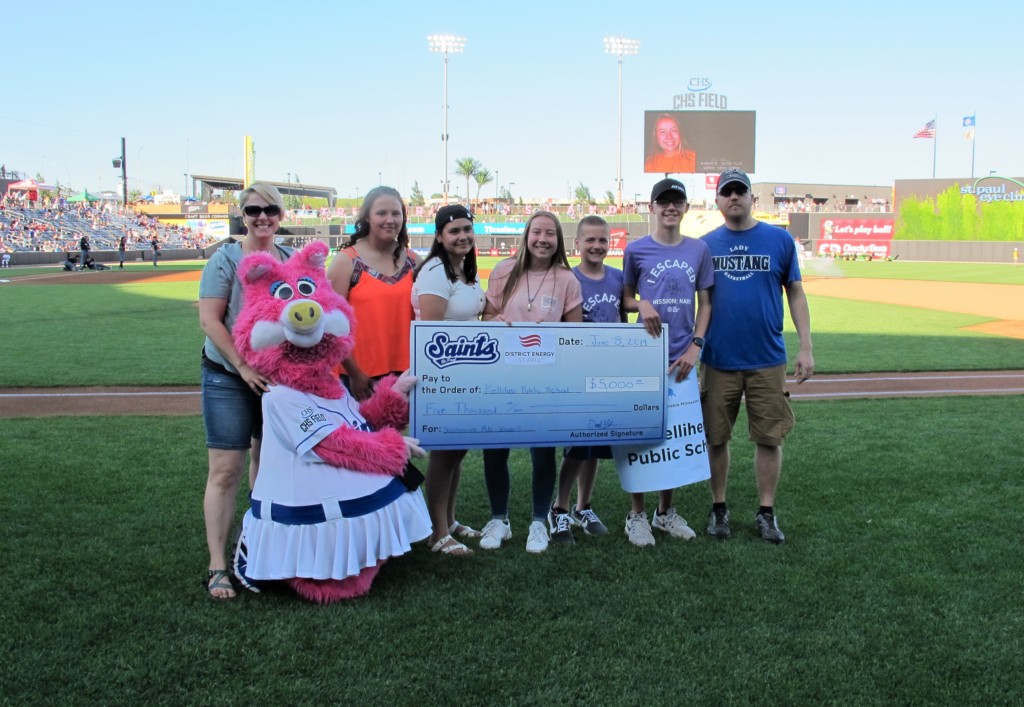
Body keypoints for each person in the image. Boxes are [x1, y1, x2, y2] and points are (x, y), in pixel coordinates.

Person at [700, 168, 814, 544]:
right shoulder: (705, 246)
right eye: (726, 192)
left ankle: (766, 512)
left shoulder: (778, 240)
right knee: (716, 438)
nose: (734, 197)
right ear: (717, 200)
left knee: (770, 438)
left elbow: (795, 293)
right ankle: (719, 508)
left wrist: (806, 346)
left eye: (740, 191)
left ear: (751, 198)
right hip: (718, 358)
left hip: (767, 357)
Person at [198, 181, 293, 599]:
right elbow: (210, 321)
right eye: (253, 210)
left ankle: (257, 545)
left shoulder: (289, 259)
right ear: (243, 215)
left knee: (267, 464)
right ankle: (218, 565)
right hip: (228, 375)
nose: (262, 217)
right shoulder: (226, 258)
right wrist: (242, 365)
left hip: (275, 378)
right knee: (225, 470)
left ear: (281, 215)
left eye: (270, 209)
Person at [479, 211, 583, 554]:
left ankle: (539, 521)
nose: (542, 239)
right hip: (502, 374)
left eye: (550, 233)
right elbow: (489, 317)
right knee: (495, 449)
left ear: (558, 240)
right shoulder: (502, 271)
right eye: (537, 232)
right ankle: (499, 519)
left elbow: (575, 335)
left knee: (543, 452)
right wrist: (502, 324)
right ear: (526, 235)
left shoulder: (567, 279)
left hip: (545, 377)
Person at [620, 178, 714, 547]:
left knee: (674, 436)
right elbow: (626, 298)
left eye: (677, 202)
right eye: (664, 202)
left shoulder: (698, 249)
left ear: (686, 208)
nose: (670, 208)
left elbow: (705, 303)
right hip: (645, 356)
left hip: (683, 358)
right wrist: (641, 303)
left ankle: (665, 513)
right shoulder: (636, 249)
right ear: (652, 207)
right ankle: (636, 515)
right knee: (643, 435)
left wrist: (696, 346)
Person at [549, 216, 635, 543]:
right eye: (590, 240)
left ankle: (584, 506)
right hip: (576, 374)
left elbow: (622, 320)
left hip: (608, 374)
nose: (597, 246)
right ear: (578, 244)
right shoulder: (568, 278)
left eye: (602, 240)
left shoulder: (617, 278)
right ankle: (559, 508)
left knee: (597, 446)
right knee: (577, 445)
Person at [411, 205, 486, 556]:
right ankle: (436, 532)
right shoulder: (435, 271)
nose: (462, 237)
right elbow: (431, 333)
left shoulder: (465, 270)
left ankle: (450, 520)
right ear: (439, 237)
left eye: (467, 229)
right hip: (444, 377)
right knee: (443, 456)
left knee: (457, 454)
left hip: (467, 375)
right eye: (454, 231)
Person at [327, 186, 421, 400]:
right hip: (359, 379)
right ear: (367, 217)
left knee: (403, 435)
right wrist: (354, 373)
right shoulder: (346, 260)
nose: (390, 219)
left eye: (396, 213)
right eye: (381, 213)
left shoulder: (415, 261)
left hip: (408, 375)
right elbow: (331, 325)